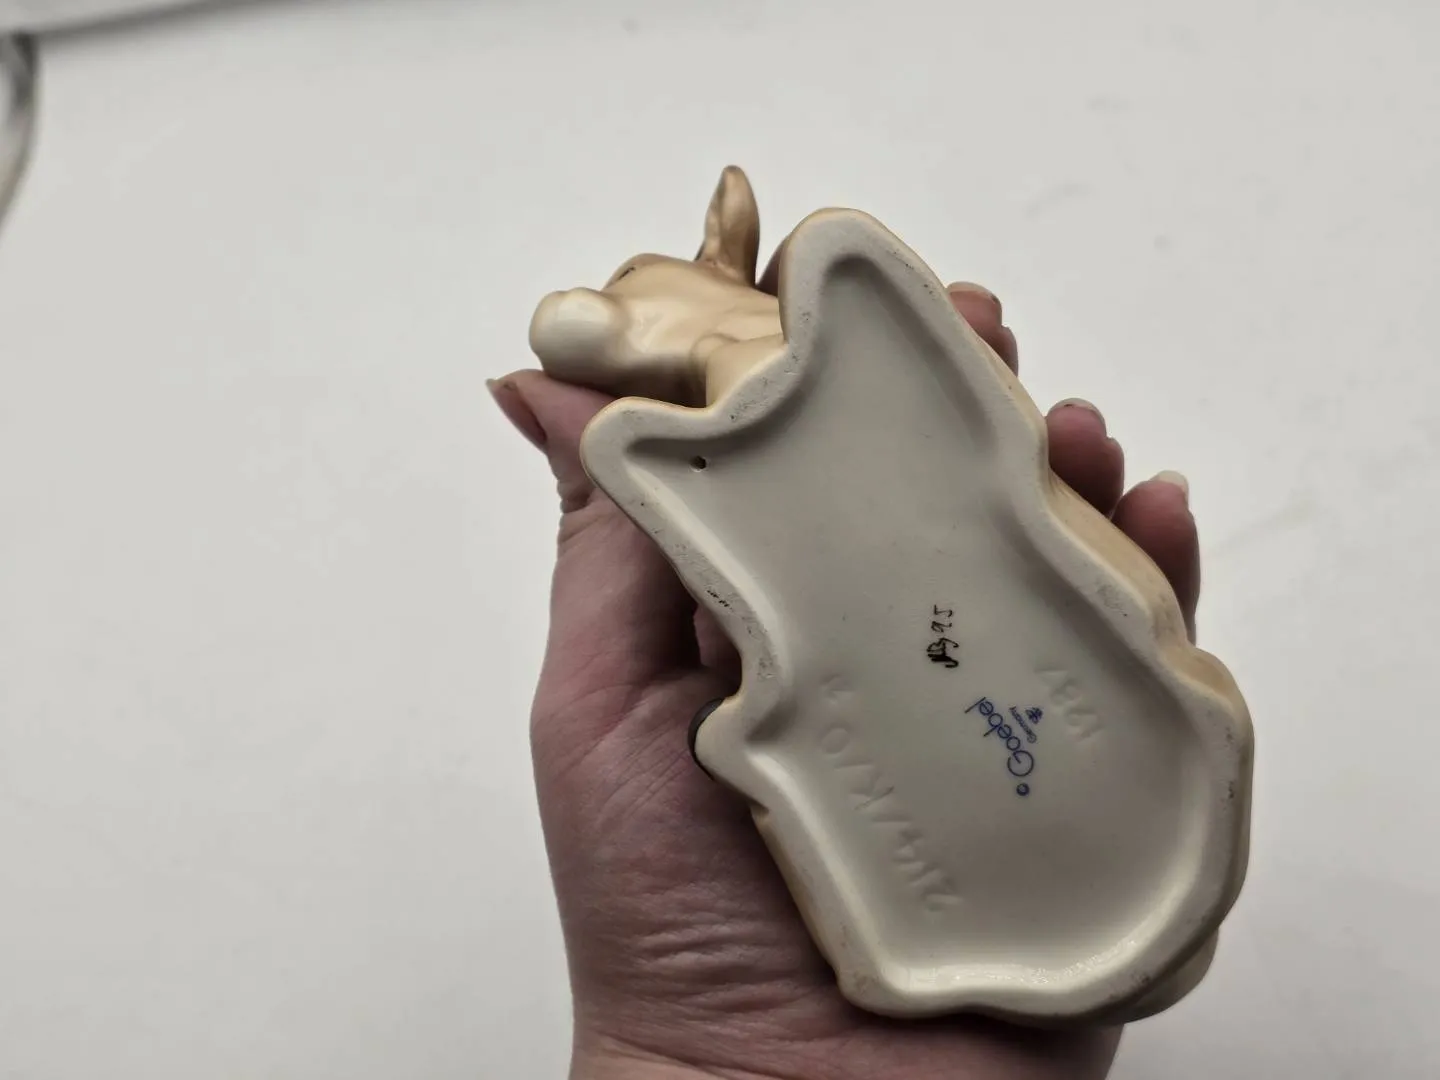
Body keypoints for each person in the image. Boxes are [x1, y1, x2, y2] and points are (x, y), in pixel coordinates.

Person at [489, 280, 1198, 1080]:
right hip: (931, 912)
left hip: (964, 892)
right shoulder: (670, 454)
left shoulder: (665, 452)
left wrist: (690, 1055)